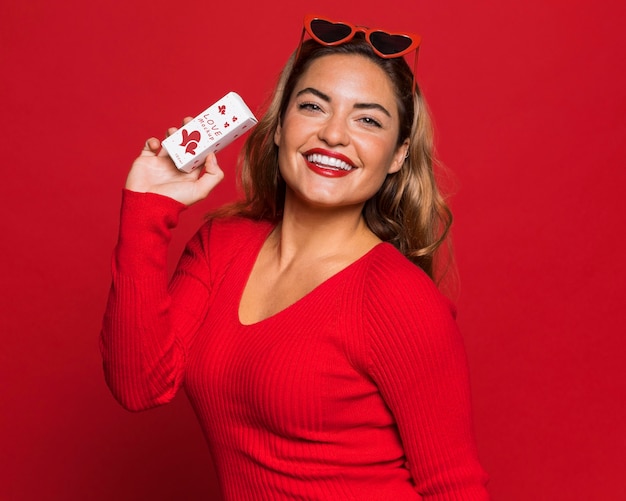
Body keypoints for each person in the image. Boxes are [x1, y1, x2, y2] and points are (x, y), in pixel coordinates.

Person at [100, 14, 490, 500]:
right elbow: (139, 385)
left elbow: (454, 485)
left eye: (367, 119)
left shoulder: (399, 298)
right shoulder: (221, 245)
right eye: (312, 106)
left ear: (397, 155)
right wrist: (147, 205)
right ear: (280, 126)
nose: (333, 135)